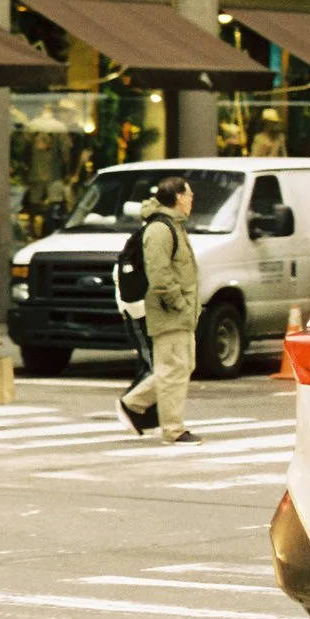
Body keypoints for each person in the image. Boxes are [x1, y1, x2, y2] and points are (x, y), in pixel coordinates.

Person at [119, 176, 200, 444]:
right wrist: (179, 303)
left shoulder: (173, 225)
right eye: (189, 195)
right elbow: (160, 274)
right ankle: (173, 429)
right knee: (172, 370)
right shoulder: (160, 229)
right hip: (169, 311)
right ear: (178, 197)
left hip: (181, 312)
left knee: (181, 366)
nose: (191, 200)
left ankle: (133, 403)